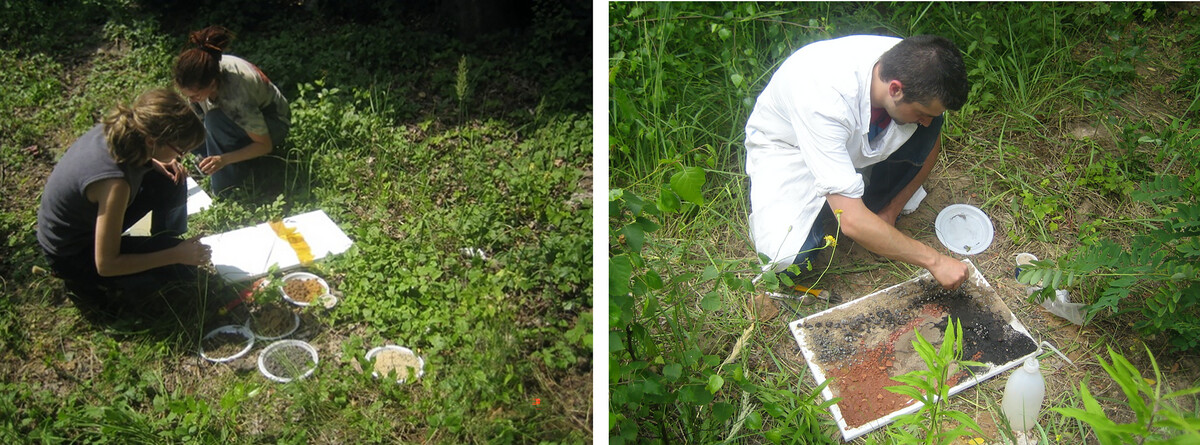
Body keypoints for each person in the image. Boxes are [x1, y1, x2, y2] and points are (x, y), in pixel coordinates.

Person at [745, 34, 970, 290]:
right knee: (788, 259)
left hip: (846, 136)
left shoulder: (913, 64)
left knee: (928, 121)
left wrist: (890, 212)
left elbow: (930, 134)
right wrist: (936, 261)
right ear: (895, 89)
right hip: (790, 147)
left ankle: (871, 204)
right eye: (921, 113)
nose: (926, 122)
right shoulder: (822, 97)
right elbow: (850, 221)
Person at [37, 88, 213, 309]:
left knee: (172, 181)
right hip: (72, 254)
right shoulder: (116, 185)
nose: (180, 157)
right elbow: (106, 264)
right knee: (179, 271)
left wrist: (157, 163)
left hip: (87, 222)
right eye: (179, 150)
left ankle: (165, 239)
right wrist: (175, 255)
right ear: (152, 141)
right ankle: (99, 288)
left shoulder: (123, 129)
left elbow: (132, 161)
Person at [174, 25, 290, 196]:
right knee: (186, 124)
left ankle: (228, 185)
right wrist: (174, 157)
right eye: (187, 95)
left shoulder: (235, 96)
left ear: (212, 84)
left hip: (273, 124)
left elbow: (264, 145)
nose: (191, 100)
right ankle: (219, 156)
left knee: (214, 122)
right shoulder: (206, 66)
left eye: (195, 96)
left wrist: (223, 160)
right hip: (235, 119)